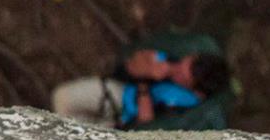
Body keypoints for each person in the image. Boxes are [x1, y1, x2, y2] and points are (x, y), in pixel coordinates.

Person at [50, 32, 233, 130]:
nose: (175, 71)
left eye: (180, 76)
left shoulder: (192, 116)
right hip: (124, 94)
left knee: (72, 133)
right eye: (181, 65)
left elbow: (147, 131)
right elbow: (130, 64)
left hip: (128, 128)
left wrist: (145, 85)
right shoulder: (177, 56)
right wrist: (147, 69)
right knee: (62, 99)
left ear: (196, 92)